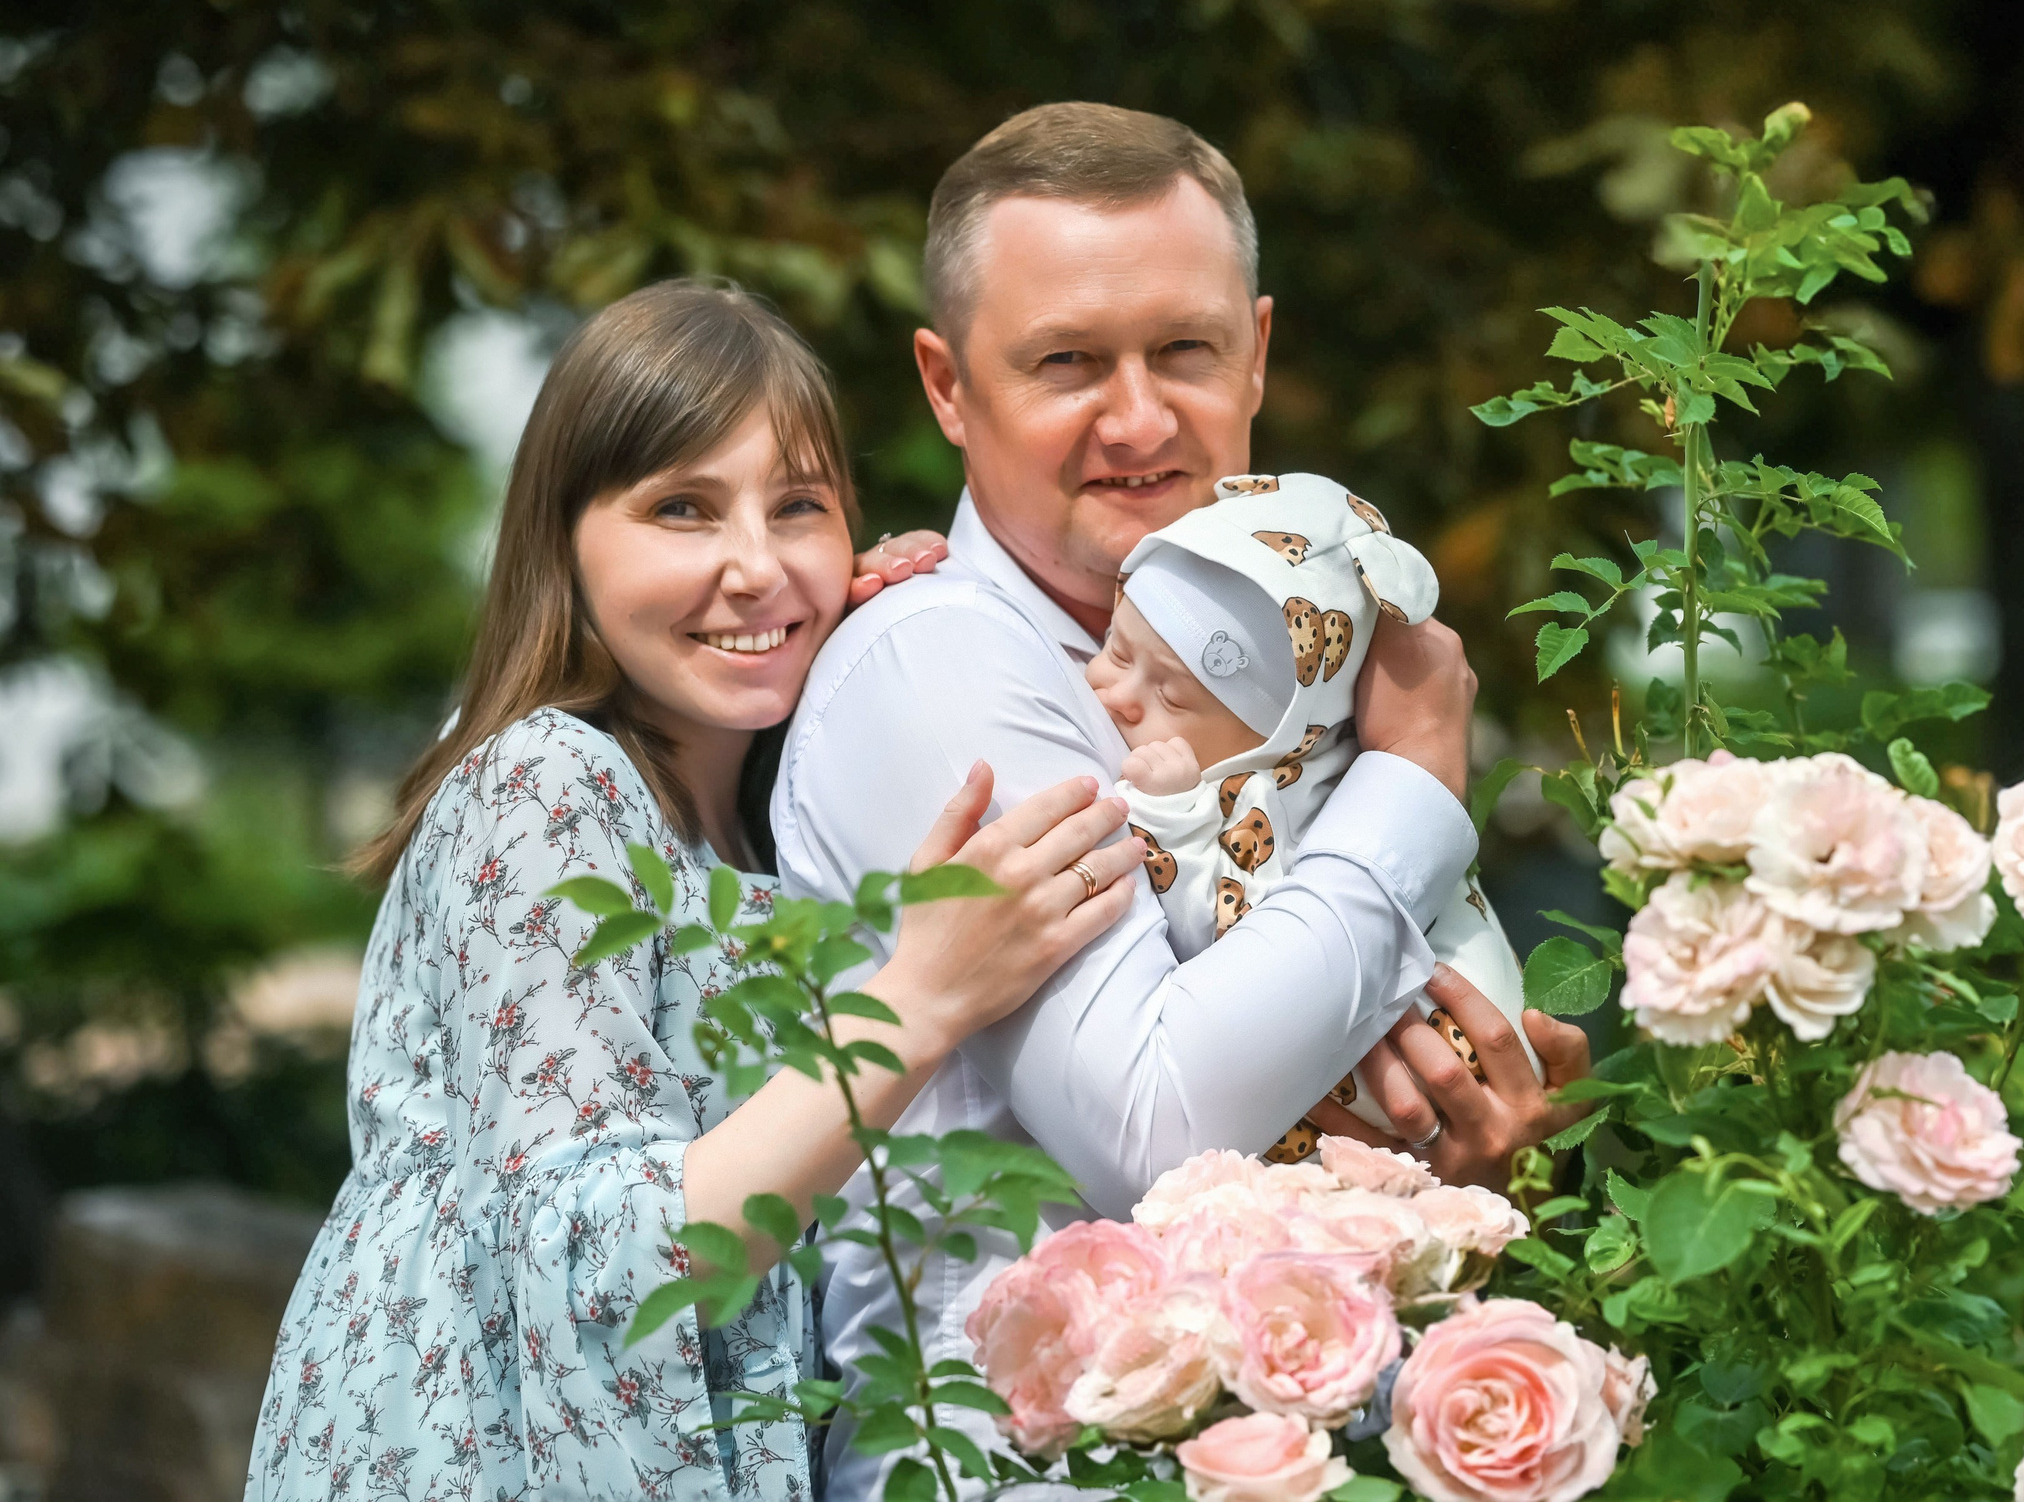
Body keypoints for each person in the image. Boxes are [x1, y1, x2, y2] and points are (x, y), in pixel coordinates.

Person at [772, 103, 1593, 1499]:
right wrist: (1410, 784)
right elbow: (1154, 1116)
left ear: (1258, 353)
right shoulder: (940, 659)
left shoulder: (1305, 662)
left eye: (1187, 351)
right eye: (1067, 363)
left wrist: (1469, 1149)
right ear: (946, 385)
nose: (1140, 418)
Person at [248, 281, 1145, 1501]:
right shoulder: (546, 785)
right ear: (561, 535)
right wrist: (921, 992)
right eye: (681, 509)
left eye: (799, 509)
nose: (753, 565)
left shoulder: (755, 813)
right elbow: (614, 1266)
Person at [1092, 468, 1535, 1154]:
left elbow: (1244, 959)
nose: (1117, 693)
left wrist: (1175, 823)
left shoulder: (1282, 800)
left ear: (1276, 739)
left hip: (1416, 1085)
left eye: (1174, 698)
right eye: (1117, 648)